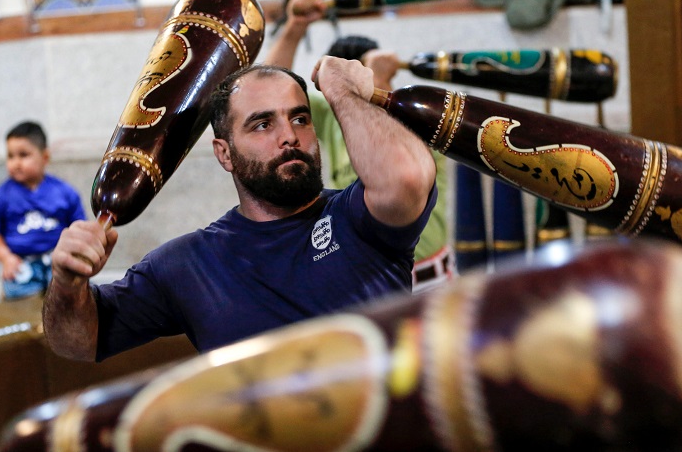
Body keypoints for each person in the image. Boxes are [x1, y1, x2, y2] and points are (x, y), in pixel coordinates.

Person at [44, 56, 437, 360]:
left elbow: (407, 178)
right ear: (224, 153)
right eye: (262, 124)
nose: (289, 137)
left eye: (300, 118)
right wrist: (67, 281)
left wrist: (343, 93)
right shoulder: (188, 264)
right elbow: (78, 342)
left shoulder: (356, 219)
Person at [265, 0, 456, 285]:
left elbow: (401, 170)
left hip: (430, 280)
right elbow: (272, 89)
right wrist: (295, 26)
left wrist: (379, 83)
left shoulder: (417, 117)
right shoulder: (331, 115)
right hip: (369, 277)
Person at [0, 121, 87, 300]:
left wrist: (75, 255)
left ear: (45, 157)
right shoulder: (0, 197)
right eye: (10, 156)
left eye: (23, 155)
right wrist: (6, 258)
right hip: (21, 262)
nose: (16, 163)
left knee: (72, 293)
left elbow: (78, 226)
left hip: (58, 257)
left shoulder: (64, 192)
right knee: (19, 297)